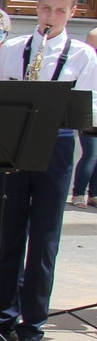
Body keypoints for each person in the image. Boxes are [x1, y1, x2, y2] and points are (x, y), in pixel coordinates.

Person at [0, 0, 97, 341]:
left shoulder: (85, 56)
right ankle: (3, 319)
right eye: (46, 8)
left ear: (72, 12)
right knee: (10, 235)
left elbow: (84, 113)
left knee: (44, 241)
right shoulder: (14, 48)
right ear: (37, 7)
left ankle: (32, 327)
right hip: (16, 146)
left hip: (58, 146)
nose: (52, 17)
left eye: (61, 12)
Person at [72, 27, 97, 208]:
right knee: (91, 153)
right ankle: (78, 193)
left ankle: (94, 194)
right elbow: (92, 37)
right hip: (90, 108)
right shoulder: (90, 57)